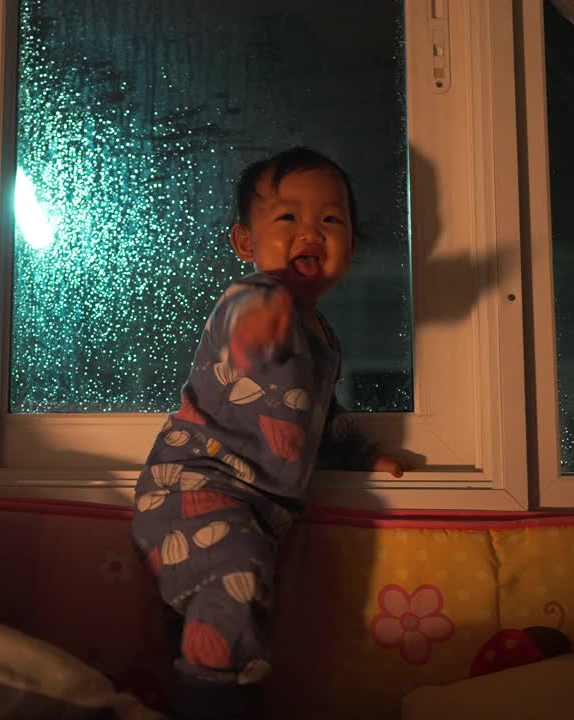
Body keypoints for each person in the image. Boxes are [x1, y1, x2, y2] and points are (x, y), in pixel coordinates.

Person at [131, 147, 415, 719]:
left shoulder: (324, 338)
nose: (311, 231)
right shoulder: (255, 296)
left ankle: (193, 681)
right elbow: (245, 320)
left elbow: (319, 417)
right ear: (245, 243)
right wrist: (255, 329)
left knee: (228, 613)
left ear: (351, 246)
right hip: (194, 488)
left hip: (254, 508)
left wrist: (363, 452)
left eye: (331, 220)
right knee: (236, 584)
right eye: (288, 217)